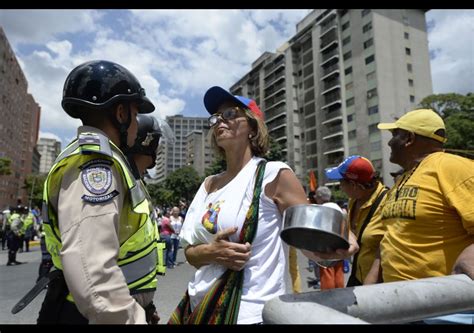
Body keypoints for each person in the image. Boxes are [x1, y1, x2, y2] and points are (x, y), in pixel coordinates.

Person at [168, 86, 358, 324]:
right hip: (202, 308)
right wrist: (211, 252)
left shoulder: (273, 174)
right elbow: (190, 253)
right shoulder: (209, 184)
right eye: (215, 118)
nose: (219, 123)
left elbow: (307, 241)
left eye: (230, 114)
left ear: (252, 126)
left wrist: (334, 239)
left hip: (251, 314)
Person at [37, 60, 160, 324]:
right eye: (135, 115)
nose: (138, 126)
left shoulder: (104, 161)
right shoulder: (96, 167)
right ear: (120, 114)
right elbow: (92, 272)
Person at [373, 108, 474, 323]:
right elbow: (388, 241)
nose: (390, 143)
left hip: (445, 311)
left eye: (394, 136)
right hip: (397, 305)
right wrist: (369, 293)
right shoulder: (402, 180)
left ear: (409, 138)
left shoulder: (454, 168)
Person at [324, 155, 388, 286]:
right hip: (357, 275)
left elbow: (387, 248)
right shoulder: (354, 200)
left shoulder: (388, 203)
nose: (340, 187)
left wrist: (371, 282)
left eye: (341, 183)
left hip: (378, 284)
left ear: (353, 185)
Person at [312, 186, 345, 290]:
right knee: (339, 271)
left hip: (326, 244)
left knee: (327, 272)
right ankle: (340, 293)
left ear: (320, 197)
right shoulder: (337, 207)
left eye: (316, 196)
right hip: (340, 243)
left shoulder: (321, 209)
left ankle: (327, 297)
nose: (315, 198)